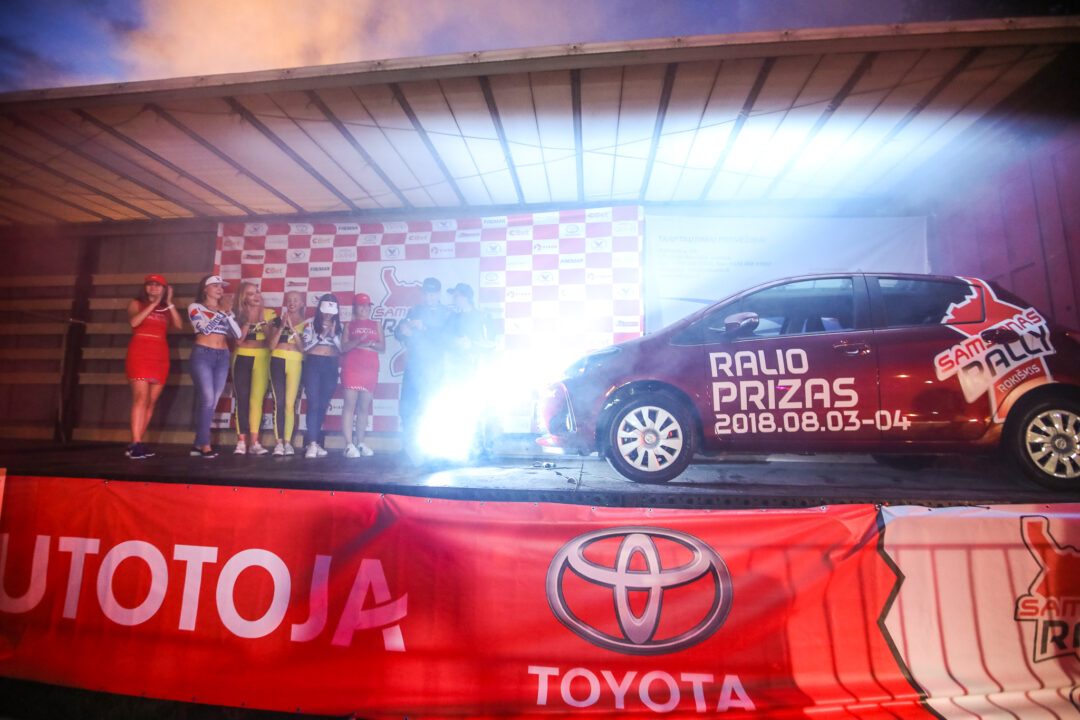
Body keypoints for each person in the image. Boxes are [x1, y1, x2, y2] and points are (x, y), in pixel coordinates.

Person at [124, 273, 182, 459]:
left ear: (165, 289)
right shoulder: (136, 303)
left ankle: (136, 443)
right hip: (140, 352)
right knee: (140, 398)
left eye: (158, 285)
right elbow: (134, 322)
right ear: (145, 287)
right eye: (150, 284)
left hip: (160, 354)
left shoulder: (166, 308)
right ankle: (136, 442)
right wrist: (153, 304)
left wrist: (169, 302)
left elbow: (179, 325)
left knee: (150, 401)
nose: (154, 287)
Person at [394, 276, 451, 460]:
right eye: (427, 293)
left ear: (439, 293)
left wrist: (424, 327)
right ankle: (408, 447)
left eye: (433, 293)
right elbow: (398, 332)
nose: (430, 297)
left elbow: (447, 338)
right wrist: (403, 330)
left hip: (434, 366)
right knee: (407, 405)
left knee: (431, 405)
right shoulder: (415, 310)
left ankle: (434, 448)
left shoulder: (447, 313)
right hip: (414, 364)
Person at [187, 275, 242, 458]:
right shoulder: (195, 307)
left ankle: (198, 443)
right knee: (208, 399)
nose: (220, 289)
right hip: (203, 354)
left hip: (223, 356)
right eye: (215, 286)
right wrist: (220, 313)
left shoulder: (225, 310)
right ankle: (206, 445)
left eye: (221, 286)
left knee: (212, 401)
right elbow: (204, 329)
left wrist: (227, 314)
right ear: (205, 289)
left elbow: (237, 334)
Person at [445, 282, 497, 457]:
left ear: (466, 297)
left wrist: (471, 345)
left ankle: (486, 447)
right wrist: (456, 343)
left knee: (483, 408)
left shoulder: (482, 317)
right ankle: (467, 447)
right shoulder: (453, 318)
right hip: (458, 370)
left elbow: (492, 343)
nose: (454, 299)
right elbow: (444, 340)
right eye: (453, 295)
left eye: (456, 295)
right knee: (462, 408)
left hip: (480, 369)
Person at [231, 281, 276, 455]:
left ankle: (255, 442)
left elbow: (271, 340)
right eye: (251, 293)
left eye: (257, 292)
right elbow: (238, 341)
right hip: (242, 356)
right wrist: (248, 320)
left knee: (257, 401)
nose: (256, 296)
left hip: (262, 358)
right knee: (242, 399)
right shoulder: (236, 314)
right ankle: (241, 442)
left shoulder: (270, 313)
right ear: (243, 297)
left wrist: (261, 317)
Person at [340, 293, 384, 458]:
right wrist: (358, 341)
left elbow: (382, 347)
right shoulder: (348, 325)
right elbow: (344, 347)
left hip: (370, 367)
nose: (365, 308)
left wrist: (370, 342)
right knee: (349, 405)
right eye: (361, 305)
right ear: (355, 308)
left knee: (364, 407)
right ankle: (348, 444)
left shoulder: (376, 324)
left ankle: (360, 442)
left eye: (367, 305)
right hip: (352, 366)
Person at [302, 293, 343, 458]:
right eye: (325, 309)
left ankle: (315, 442)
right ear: (320, 308)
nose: (328, 314)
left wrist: (333, 335)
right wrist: (322, 335)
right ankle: (311, 443)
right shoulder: (310, 323)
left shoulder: (339, 326)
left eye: (331, 310)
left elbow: (343, 349)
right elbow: (305, 347)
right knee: (313, 403)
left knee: (323, 404)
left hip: (331, 364)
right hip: (313, 363)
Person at [267, 290, 306, 456]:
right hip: (277, 360)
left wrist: (293, 330)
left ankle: (288, 442)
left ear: (302, 304)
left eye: (296, 300)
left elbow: (303, 349)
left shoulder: (307, 323)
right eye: (289, 300)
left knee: (290, 404)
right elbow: (271, 346)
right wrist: (282, 327)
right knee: (279, 403)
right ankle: (279, 443)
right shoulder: (277, 321)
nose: (292, 303)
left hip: (295, 362)